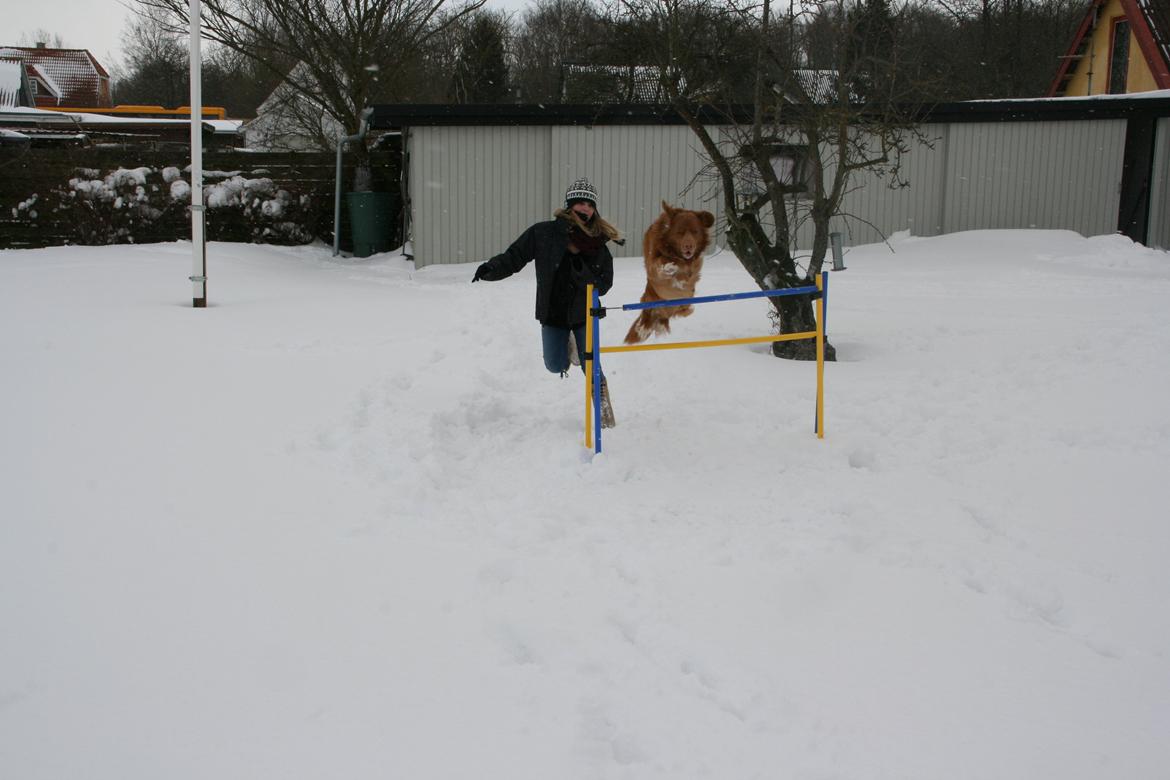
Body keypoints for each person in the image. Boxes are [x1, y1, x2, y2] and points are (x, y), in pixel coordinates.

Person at [472, 177, 622, 428]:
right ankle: (568, 346)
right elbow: (515, 256)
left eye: (589, 204)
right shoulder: (543, 233)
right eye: (579, 203)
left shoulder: (598, 242)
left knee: (591, 364)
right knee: (554, 365)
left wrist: (580, 266)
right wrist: (491, 269)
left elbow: (605, 282)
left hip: (584, 312)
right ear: (568, 206)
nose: (584, 208)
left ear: (594, 209)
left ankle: (605, 416)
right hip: (553, 312)